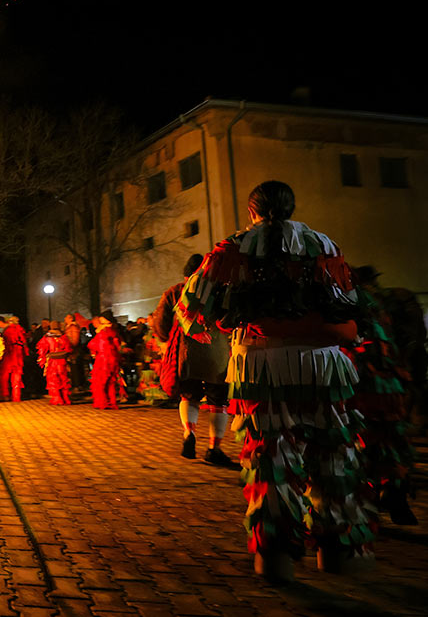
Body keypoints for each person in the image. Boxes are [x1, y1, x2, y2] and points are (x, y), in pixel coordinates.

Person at [175, 180, 371, 581]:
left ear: (252, 211)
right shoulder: (323, 244)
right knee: (333, 452)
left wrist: (218, 327)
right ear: (291, 206)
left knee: (271, 459)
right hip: (322, 363)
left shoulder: (233, 248)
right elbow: (352, 302)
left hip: (261, 365)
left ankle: (276, 559)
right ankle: (337, 554)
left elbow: (192, 307)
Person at [152, 254, 235, 467]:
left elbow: (160, 323)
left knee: (189, 394)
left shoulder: (175, 292)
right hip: (217, 351)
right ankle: (213, 448)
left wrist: (164, 340)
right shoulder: (219, 291)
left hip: (185, 351)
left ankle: (189, 434)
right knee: (218, 399)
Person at [350, 266, 417, 525]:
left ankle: (371, 501)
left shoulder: (354, 301)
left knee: (365, 441)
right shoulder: (390, 300)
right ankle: (397, 496)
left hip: (366, 382)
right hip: (393, 381)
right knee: (393, 440)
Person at [88, 316, 123, 410]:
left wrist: (94, 350)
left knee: (101, 381)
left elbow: (96, 345)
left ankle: (102, 402)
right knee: (110, 382)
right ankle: (111, 401)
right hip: (112, 358)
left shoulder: (104, 332)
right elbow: (118, 345)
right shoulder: (113, 331)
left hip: (103, 359)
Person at [36, 320, 73, 405]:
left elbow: (42, 350)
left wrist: (43, 359)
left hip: (52, 361)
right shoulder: (63, 337)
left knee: (53, 379)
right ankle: (65, 398)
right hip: (62, 360)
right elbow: (68, 349)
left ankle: (57, 399)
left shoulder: (47, 338)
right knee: (63, 379)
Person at [0, 315, 29, 402]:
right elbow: (24, 343)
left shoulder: (8, 330)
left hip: (9, 354)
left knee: (4, 375)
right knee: (17, 375)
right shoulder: (20, 329)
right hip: (18, 354)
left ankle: (5, 395)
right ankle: (16, 396)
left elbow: (5, 343)